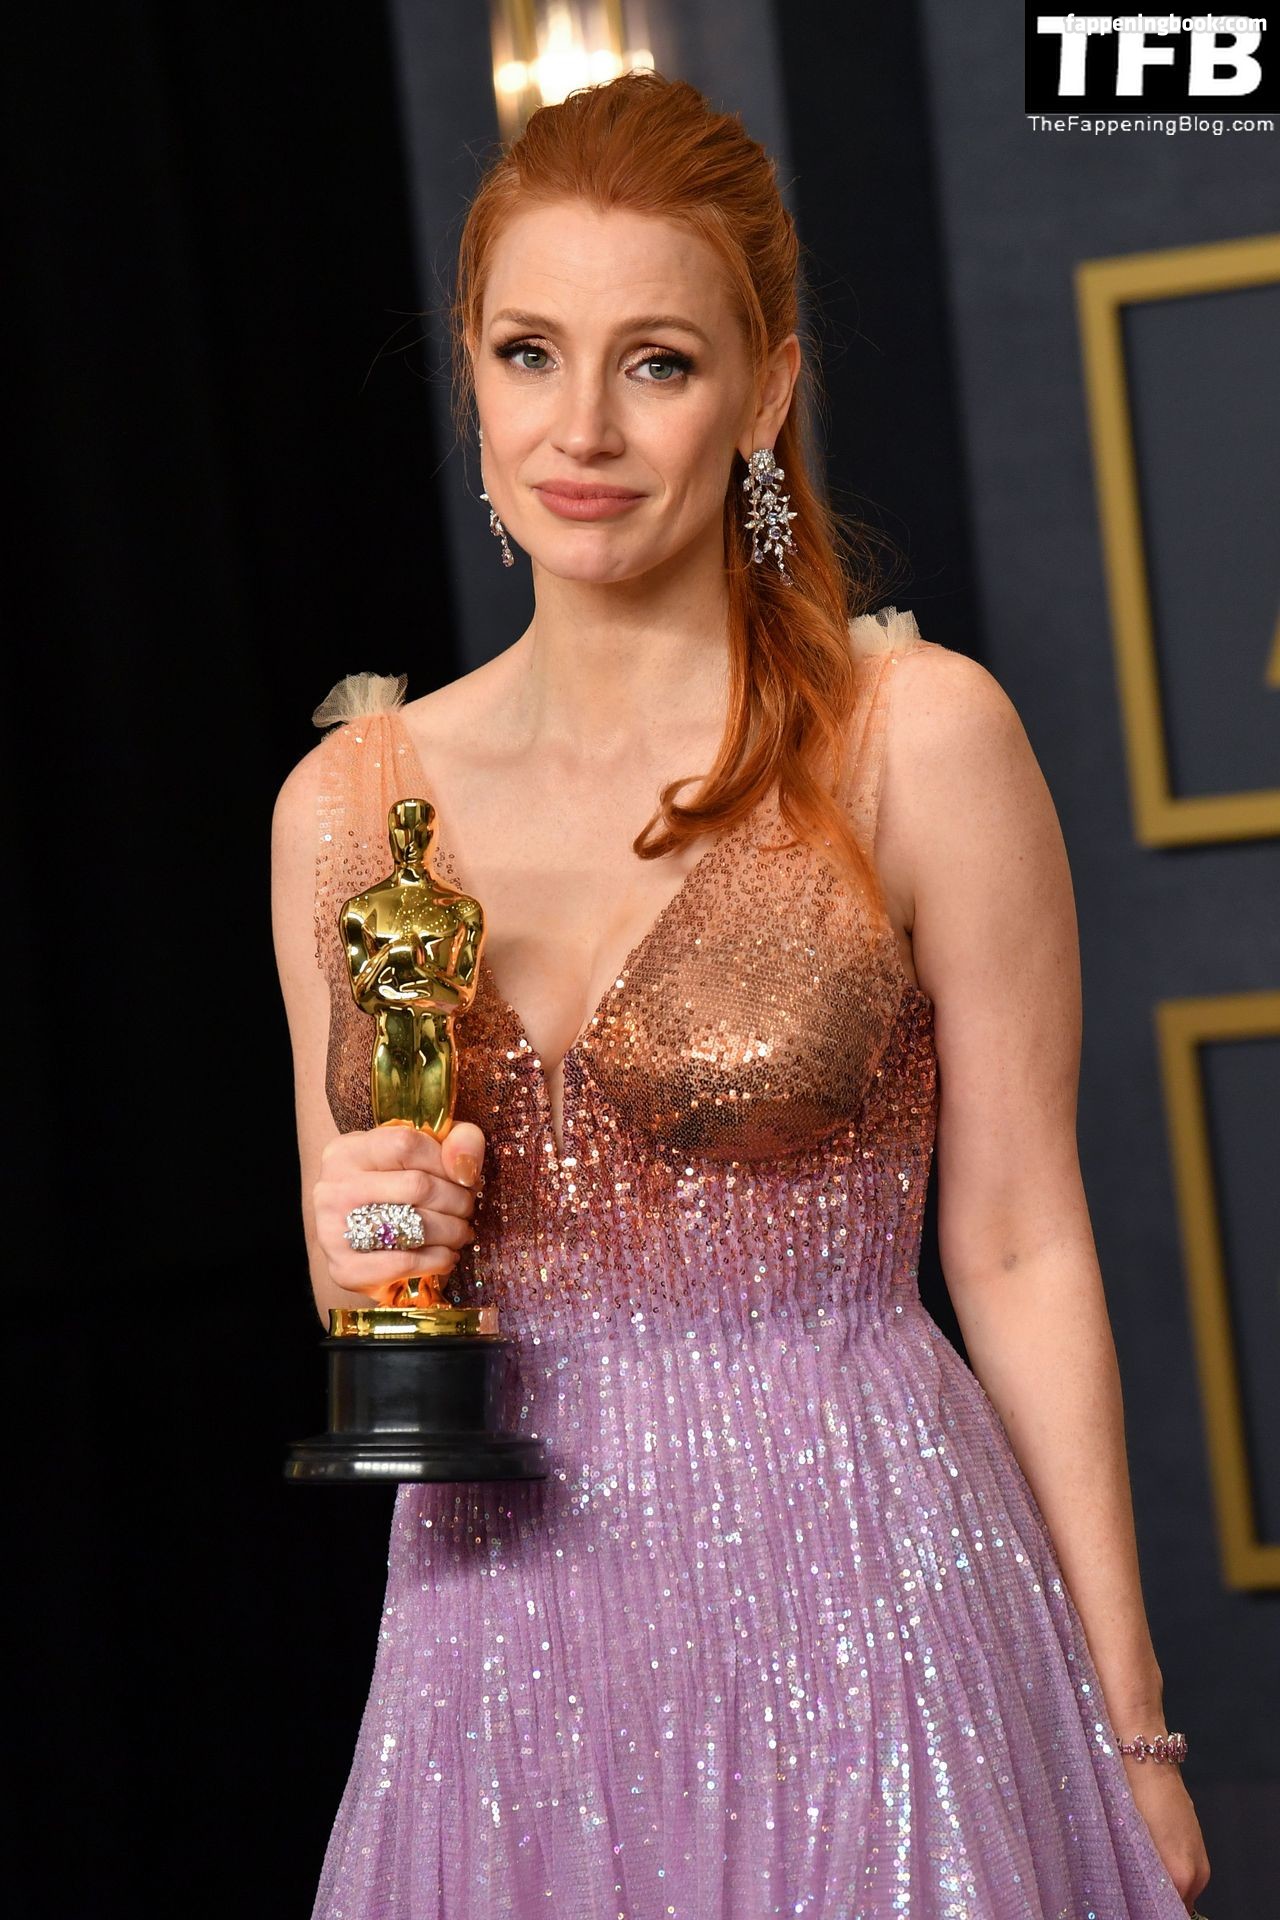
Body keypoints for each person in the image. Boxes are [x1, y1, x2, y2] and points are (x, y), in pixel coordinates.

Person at [272, 69, 1211, 1920]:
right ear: (471, 377)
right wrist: (356, 1234)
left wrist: (1132, 1726)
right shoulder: (344, 807)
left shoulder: (916, 742)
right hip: (502, 1641)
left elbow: (1020, 1243)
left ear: (766, 393)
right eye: (531, 354)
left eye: (659, 363)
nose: (583, 429)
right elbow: (367, 1277)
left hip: (871, 1606)